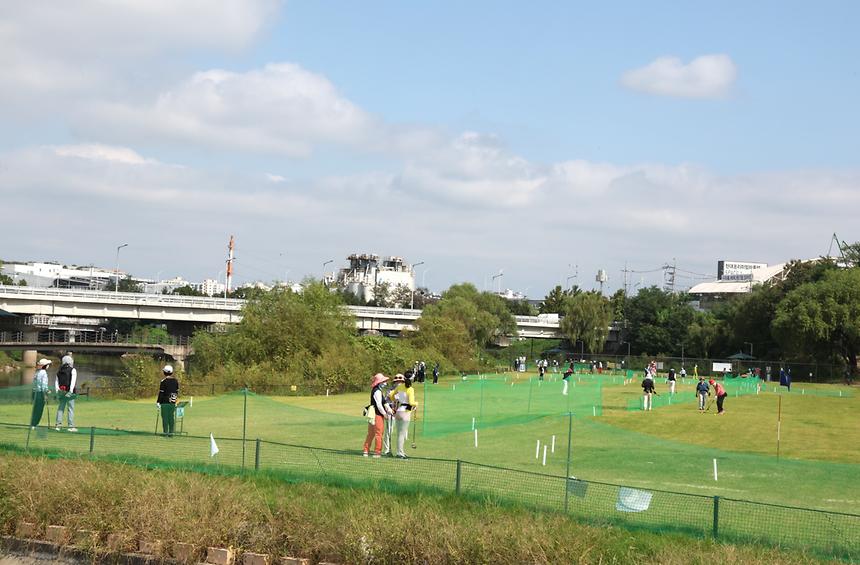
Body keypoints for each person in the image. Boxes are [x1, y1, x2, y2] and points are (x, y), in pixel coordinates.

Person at [388, 372, 418, 459]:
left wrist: (395, 400)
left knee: (399, 434)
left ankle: (400, 451)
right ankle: (399, 453)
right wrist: (416, 403)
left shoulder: (399, 386)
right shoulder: (410, 389)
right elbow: (411, 402)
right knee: (402, 434)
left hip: (399, 410)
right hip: (405, 412)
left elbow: (391, 395)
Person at [363, 373, 393, 457]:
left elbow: (384, 403)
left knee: (371, 433)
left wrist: (389, 410)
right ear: (379, 382)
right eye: (383, 381)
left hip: (374, 414)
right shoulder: (377, 391)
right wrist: (384, 414)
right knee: (378, 433)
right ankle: (377, 452)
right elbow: (379, 404)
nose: (385, 383)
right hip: (377, 414)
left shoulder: (378, 390)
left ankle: (366, 450)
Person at [54, 354, 78, 432]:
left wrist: (57, 391)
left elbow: (56, 382)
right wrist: (71, 391)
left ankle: (58, 425)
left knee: (61, 408)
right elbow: (73, 382)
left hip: (61, 391)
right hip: (70, 392)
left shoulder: (59, 371)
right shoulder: (72, 370)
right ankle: (71, 426)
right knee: (70, 409)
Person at [156, 365, 179, 436]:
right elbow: (176, 392)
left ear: (164, 372)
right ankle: (171, 432)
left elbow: (161, 393)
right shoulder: (175, 381)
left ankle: (166, 432)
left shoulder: (163, 381)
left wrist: (158, 402)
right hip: (172, 401)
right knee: (171, 417)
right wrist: (174, 400)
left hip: (165, 402)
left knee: (165, 418)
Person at [30, 359, 52, 429]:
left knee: (35, 409)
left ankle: (33, 424)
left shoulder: (37, 372)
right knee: (39, 410)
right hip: (40, 393)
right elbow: (43, 385)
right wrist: (46, 393)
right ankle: (35, 424)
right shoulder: (44, 373)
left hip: (34, 393)